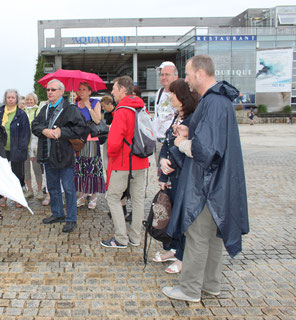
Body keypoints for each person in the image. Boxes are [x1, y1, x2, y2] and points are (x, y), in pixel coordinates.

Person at [163, 55, 249, 302]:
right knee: (212, 237)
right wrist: (192, 132)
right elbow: (214, 141)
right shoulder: (220, 101)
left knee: (197, 235)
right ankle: (211, 284)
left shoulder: (212, 103)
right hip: (218, 185)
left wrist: (182, 143)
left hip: (205, 185)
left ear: (200, 73)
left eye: (188, 74)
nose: (186, 79)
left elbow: (207, 151)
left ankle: (189, 289)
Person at [153, 79, 199, 274]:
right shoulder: (176, 117)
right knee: (171, 214)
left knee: (182, 216)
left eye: (172, 93)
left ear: (182, 96)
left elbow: (194, 151)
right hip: (170, 176)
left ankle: (182, 256)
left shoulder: (192, 120)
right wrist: (162, 161)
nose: (169, 96)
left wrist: (175, 151)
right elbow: (166, 143)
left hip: (184, 177)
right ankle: (173, 248)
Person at [32, 79, 87, 233]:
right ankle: (57, 214)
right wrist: (44, 131)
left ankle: (71, 219)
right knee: (53, 187)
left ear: (61, 91)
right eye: (48, 90)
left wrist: (61, 132)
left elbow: (81, 129)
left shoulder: (70, 109)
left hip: (64, 155)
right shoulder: (45, 109)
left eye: (53, 90)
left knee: (69, 189)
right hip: (48, 155)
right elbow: (35, 125)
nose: (50, 92)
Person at [100, 76, 149, 248]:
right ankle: (135, 238)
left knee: (113, 197)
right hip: (141, 161)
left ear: (122, 89)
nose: (112, 92)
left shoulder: (122, 111)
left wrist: (111, 155)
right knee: (137, 200)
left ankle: (121, 238)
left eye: (114, 88)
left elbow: (113, 144)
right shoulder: (142, 108)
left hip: (123, 162)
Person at [0, 89, 31, 210]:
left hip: (17, 149)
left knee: (18, 174)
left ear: (16, 99)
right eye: (8, 97)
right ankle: (3, 196)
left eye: (13, 97)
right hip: (2, 149)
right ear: (5, 99)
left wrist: (22, 148)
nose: (10, 99)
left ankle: (18, 197)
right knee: (4, 173)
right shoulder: (0, 113)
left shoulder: (21, 114)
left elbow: (26, 133)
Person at [74, 82, 106, 209]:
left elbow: (97, 120)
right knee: (80, 167)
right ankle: (82, 194)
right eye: (80, 89)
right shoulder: (75, 105)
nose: (81, 92)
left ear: (89, 91)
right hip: (79, 140)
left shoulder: (94, 103)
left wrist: (88, 107)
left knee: (91, 167)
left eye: (84, 90)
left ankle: (93, 195)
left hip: (91, 139)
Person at [153, 62, 179, 166]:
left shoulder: (180, 92)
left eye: (167, 74)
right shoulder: (159, 92)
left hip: (174, 142)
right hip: (159, 142)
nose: (164, 77)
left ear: (175, 76)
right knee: (161, 176)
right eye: (162, 75)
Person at [23, 92, 44, 200]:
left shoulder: (38, 111)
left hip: (35, 144)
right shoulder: (22, 112)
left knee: (37, 169)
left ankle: (40, 190)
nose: (29, 101)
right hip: (24, 145)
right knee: (25, 170)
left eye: (31, 100)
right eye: (27, 100)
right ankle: (30, 190)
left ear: (35, 101)